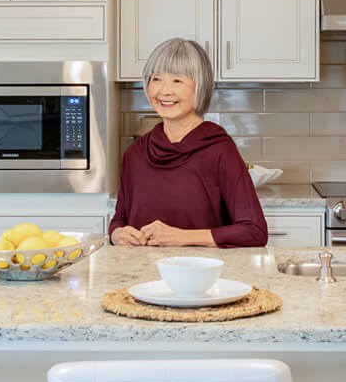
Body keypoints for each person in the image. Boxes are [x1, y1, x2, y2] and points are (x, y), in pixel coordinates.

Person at [108, 37, 268, 248]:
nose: (164, 90)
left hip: (199, 268)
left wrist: (181, 238)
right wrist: (117, 234)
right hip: (142, 268)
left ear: (200, 87)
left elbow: (254, 231)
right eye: (157, 79)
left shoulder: (219, 150)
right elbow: (120, 218)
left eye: (177, 80)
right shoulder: (135, 153)